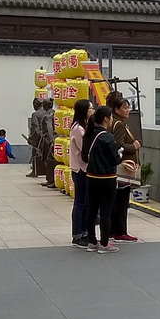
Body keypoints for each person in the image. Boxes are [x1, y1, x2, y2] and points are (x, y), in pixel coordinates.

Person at [81, 105, 123, 253]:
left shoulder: (89, 135)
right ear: (106, 119)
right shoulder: (107, 137)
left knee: (91, 210)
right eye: (110, 117)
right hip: (107, 178)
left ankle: (92, 241)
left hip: (91, 177)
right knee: (105, 212)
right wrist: (120, 155)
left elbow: (84, 156)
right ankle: (104, 244)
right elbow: (115, 160)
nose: (111, 120)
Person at [108, 92, 141, 242]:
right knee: (121, 201)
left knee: (116, 200)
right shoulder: (119, 124)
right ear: (116, 109)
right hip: (123, 167)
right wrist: (133, 146)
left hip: (115, 167)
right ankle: (120, 231)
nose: (128, 110)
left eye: (128, 107)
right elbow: (118, 145)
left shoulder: (113, 121)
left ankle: (113, 231)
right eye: (124, 108)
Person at [68, 99, 91, 247]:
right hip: (80, 169)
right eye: (91, 108)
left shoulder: (85, 126)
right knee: (80, 202)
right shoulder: (78, 128)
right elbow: (85, 148)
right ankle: (77, 234)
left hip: (85, 169)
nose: (93, 111)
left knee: (85, 203)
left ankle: (84, 232)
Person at [40, 99, 58, 188]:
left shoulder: (48, 116)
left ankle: (51, 180)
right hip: (56, 138)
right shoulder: (55, 113)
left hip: (49, 140)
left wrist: (51, 141)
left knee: (50, 160)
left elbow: (49, 128)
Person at [27, 97, 46, 177]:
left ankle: (35, 171)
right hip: (48, 137)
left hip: (40, 138)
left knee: (35, 154)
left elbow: (35, 128)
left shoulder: (35, 114)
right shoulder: (47, 112)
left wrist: (32, 139)